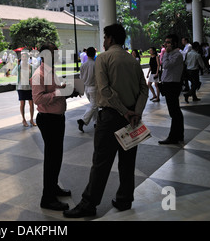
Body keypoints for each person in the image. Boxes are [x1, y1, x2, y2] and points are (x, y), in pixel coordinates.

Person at [63, 24, 148, 218]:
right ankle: (125, 199)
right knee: (127, 161)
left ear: (109, 39)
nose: (103, 41)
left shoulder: (104, 58)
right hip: (132, 119)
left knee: (101, 162)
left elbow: (105, 91)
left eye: (104, 37)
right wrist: (135, 112)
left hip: (110, 117)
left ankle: (89, 204)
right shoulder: (133, 60)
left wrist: (124, 111)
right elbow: (144, 89)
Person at [31, 42, 78, 211]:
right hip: (49, 119)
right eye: (54, 53)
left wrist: (66, 90)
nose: (57, 55)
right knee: (52, 158)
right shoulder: (39, 74)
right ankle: (47, 198)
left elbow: (54, 92)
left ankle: (53, 187)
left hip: (56, 118)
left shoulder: (52, 72)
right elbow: (38, 99)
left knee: (56, 156)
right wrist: (61, 92)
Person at [158, 34, 184, 145]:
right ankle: (179, 134)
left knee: (174, 112)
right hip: (169, 84)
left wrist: (166, 53)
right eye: (165, 42)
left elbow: (166, 65)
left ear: (174, 43)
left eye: (168, 42)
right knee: (175, 111)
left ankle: (173, 137)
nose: (166, 44)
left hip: (172, 85)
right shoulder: (172, 54)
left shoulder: (176, 55)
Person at [12, 50, 36, 127]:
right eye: (23, 56)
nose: (24, 58)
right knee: (22, 104)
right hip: (21, 87)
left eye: (26, 56)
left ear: (28, 57)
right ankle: (23, 119)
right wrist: (17, 65)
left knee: (31, 103)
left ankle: (31, 119)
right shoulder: (19, 66)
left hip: (29, 87)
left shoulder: (31, 66)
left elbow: (34, 76)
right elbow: (13, 73)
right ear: (21, 58)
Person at [77, 46, 98, 132]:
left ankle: (96, 122)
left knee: (94, 105)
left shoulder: (83, 65)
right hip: (93, 88)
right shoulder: (95, 64)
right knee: (94, 105)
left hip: (86, 88)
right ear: (94, 54)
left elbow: (81, 78)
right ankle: (83, 120)